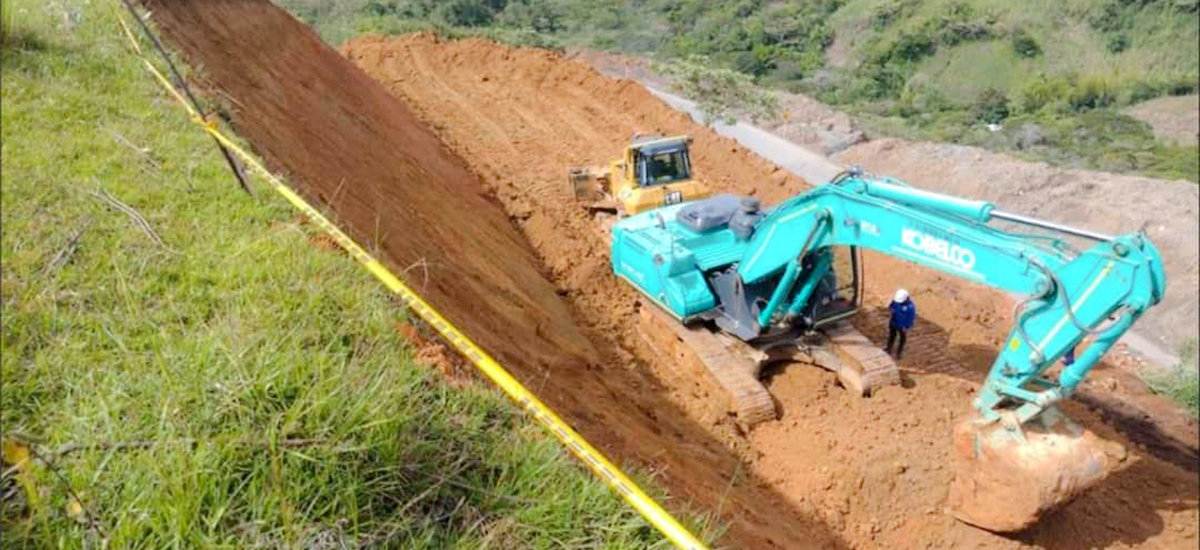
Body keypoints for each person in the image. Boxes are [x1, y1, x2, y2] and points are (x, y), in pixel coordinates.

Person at [886, 289, 916, 359]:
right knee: (892, 336)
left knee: (902, 339)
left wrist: (906, 327)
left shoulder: (910, 307)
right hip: (893, 323)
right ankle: (889, 348)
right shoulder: (895, 301)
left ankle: (899, 352)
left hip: (902, 326)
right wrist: (891, 310)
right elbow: (891, 306)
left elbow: (910, 318)